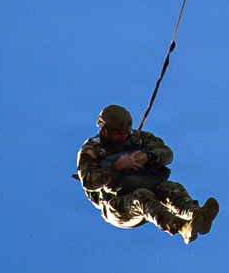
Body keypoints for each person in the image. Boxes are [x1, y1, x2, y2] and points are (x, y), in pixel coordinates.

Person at [76, 104, 219, 244]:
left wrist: (148, 156)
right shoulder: (91, 150)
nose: (124, 136)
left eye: (126, 132)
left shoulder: (136, 138)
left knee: (170, 188)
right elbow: (89, 181)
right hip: (116, 204)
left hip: (145, 184)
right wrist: (118, 166)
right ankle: (182, 227)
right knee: (142, 196)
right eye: (119, 133)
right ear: (104, 130)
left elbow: (167, 152)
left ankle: (197, 216)